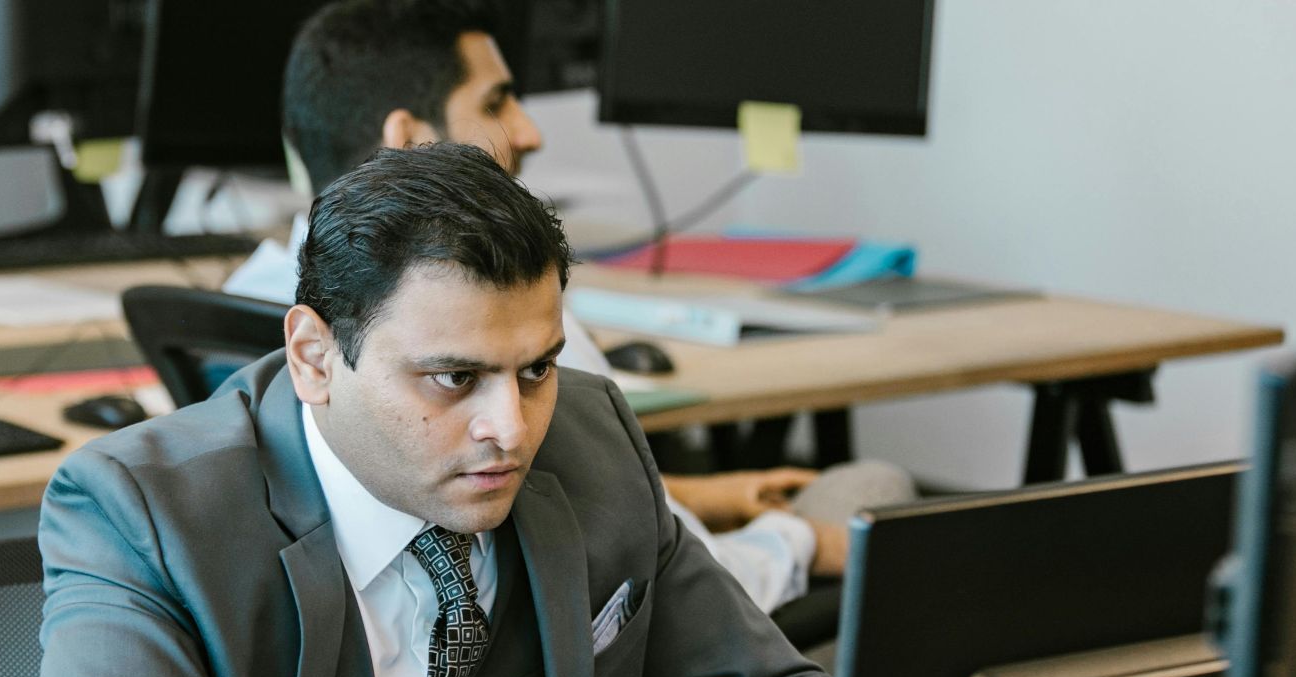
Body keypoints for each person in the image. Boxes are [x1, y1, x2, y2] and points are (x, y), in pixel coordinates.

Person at [37, 143, 831, 677]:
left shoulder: (594, 442)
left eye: (536, 370)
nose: (511, 430)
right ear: (315, 359)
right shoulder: (138, 509)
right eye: (454, 378)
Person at [224, 0, 912, 615]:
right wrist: (804, 542)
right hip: (567, 637)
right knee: (877, 487)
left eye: (536, 374)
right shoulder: (510, 323)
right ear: (407, 138)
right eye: (496, 104)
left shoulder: (253, 293)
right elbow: (673, 594)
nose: (529, 132)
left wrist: (690, 496)